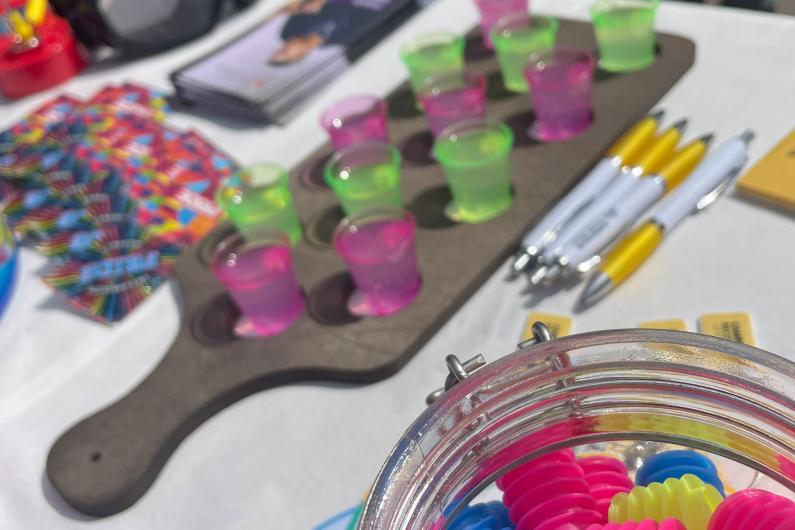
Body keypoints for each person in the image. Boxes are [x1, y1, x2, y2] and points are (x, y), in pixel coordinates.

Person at [268, 0, 374, 65]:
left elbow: (301, 6)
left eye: (280, 48)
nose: (284, 45)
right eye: (283, 51)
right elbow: (368, 12)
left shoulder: (292, 29)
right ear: (298, 57)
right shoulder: (344, 39)